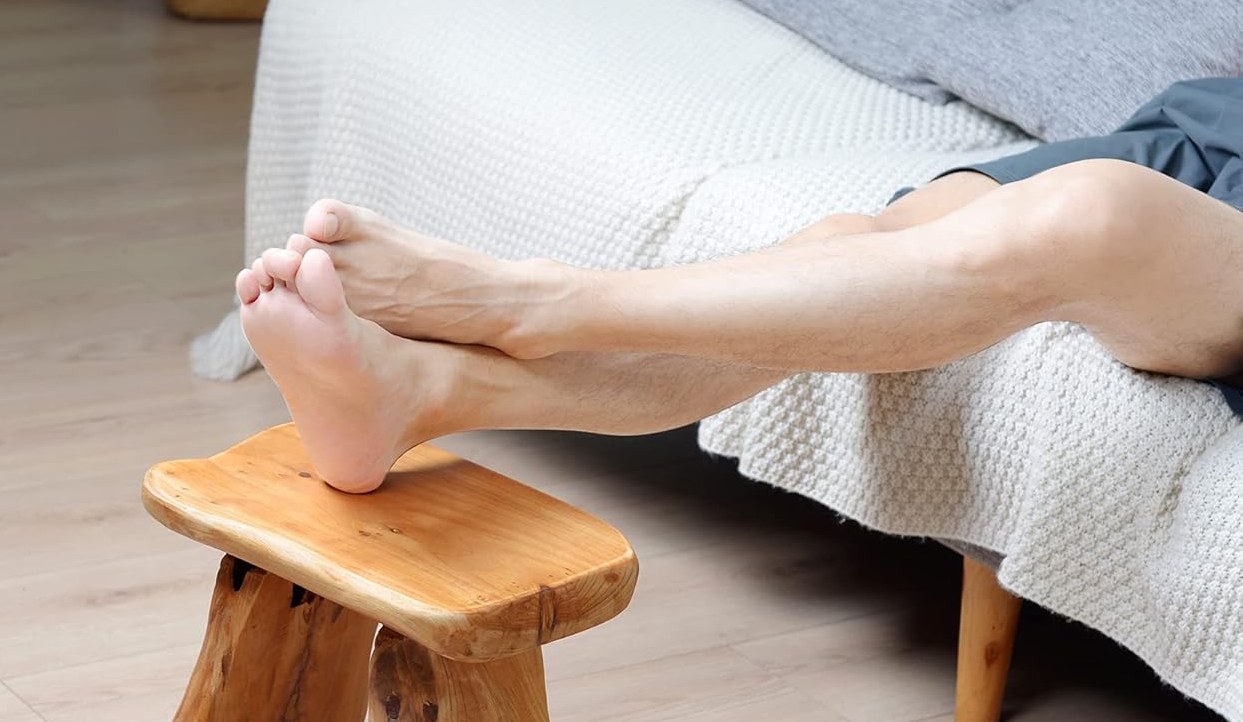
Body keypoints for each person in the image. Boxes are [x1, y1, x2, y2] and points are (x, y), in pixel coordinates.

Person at [235, 79, 1243, 494]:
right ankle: (428, 392)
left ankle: (535, 302)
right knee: (853, 242)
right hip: (1212, 129)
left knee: (1095, 217)